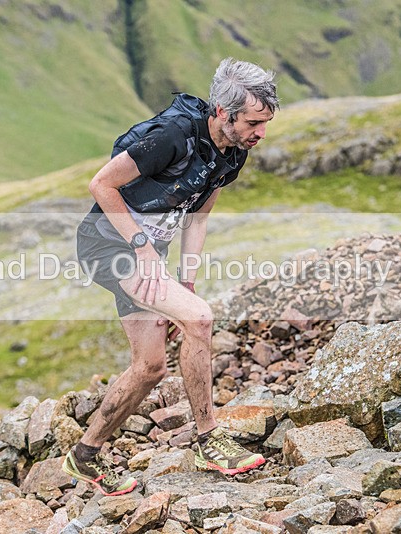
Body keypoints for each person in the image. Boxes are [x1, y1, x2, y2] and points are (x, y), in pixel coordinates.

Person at [63, 58, 278, 495]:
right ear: (222, 111)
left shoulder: (233, 152)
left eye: (265, 123)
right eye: (254, 122)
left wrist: (188, 282)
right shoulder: (172, 135)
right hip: (108, 244)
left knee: (151, 366)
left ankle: (83, 456)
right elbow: (101, 185)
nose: (260, 133)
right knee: (199, 320)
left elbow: (197, 219)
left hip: (149, 252)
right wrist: (143, 250)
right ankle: (208, 440)